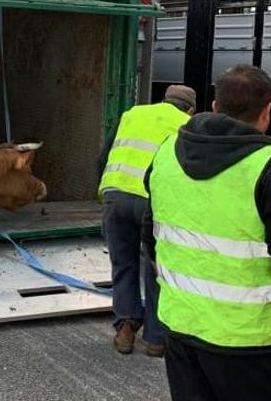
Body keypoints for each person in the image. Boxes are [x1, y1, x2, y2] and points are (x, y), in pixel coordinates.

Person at [144, 65, 271, 401]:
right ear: (267, 112)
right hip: (252, 348)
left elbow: (150, 239)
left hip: (181, 334)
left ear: (215, 106)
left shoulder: (166, 152)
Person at [97, 85, 196, 357]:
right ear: (190, 109)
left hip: (115, 195)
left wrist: (106, 195)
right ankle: (155, 339)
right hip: (152, 202)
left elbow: (103, 157)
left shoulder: (133, 114)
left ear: (163, 100)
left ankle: (125, 329)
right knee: (156, 267)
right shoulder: (187, 125)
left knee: (123, 264)